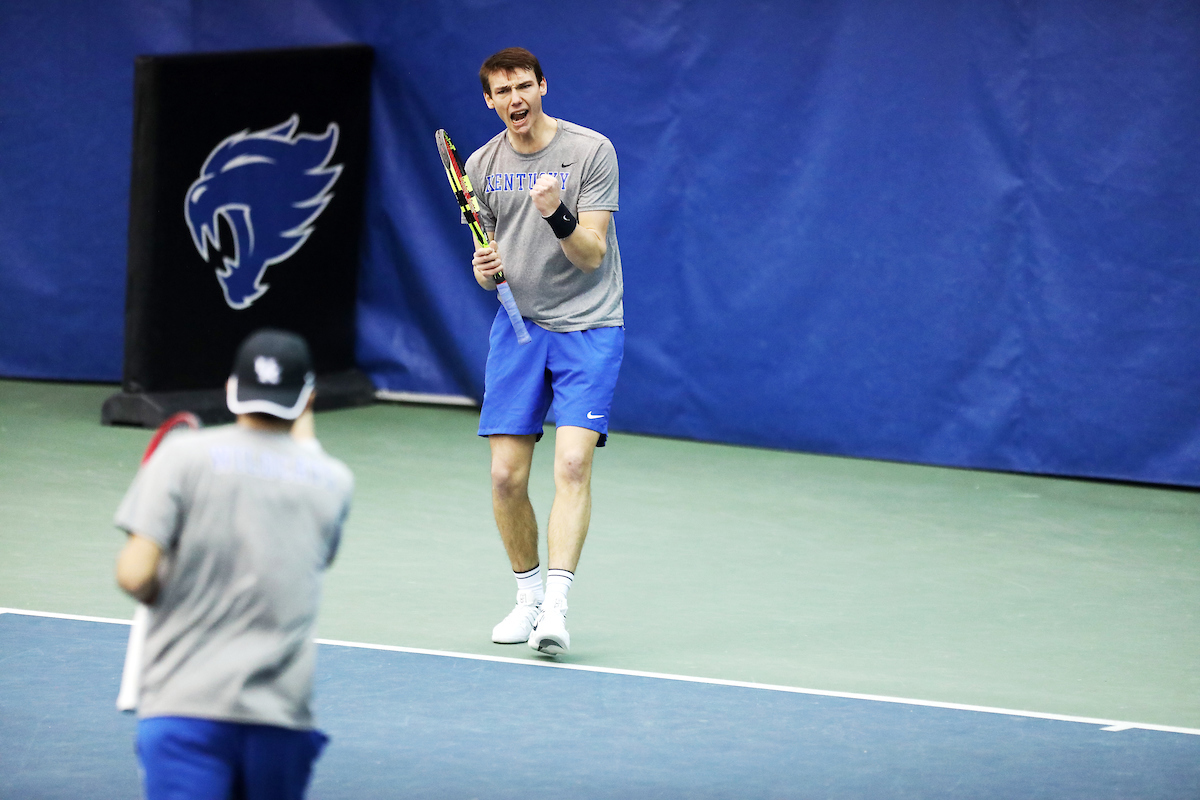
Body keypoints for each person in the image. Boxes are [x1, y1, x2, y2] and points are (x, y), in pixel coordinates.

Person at [114, 328, 354, 800]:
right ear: (308, 400)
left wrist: (156, 588)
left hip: (183, 710)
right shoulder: (332, 483)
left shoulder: (180, 457)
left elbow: (135, 574)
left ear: (231, 390)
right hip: (279, 722)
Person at [465, 47, 624, 656]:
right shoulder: (480, 165)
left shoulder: (591, 152)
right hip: (518, 329)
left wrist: (557, 212)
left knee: (572, 466)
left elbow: (591, 254)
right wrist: (484, 270)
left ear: (543, 87)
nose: (515, 101)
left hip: (589, 326)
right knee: (506, 476)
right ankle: (526, 597)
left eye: (524, 87)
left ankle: (556, 606)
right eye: (503, 92)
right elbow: (490, 266)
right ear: (490, 100)